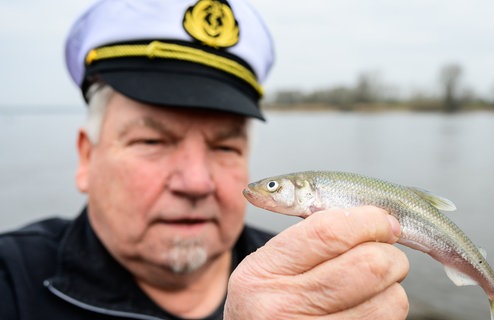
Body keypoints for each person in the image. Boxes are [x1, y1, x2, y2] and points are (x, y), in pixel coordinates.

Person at [0, 0, 409, 319]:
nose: (196, 183)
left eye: (224, 147)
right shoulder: (11, 284)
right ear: (87, 158)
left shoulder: (327, 282)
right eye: (151, 140)